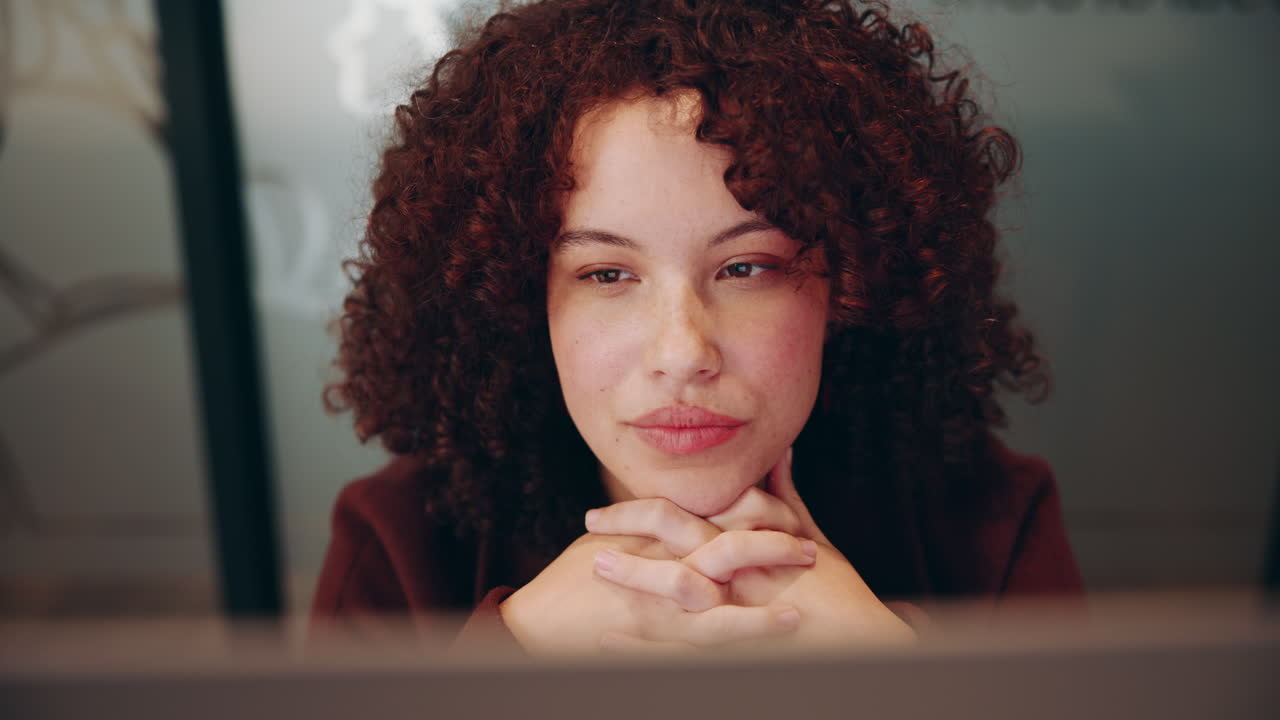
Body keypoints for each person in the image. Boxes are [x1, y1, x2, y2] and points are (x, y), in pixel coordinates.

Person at [313, 0, 1083, 655]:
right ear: (519, 299)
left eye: (746, 268)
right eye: (607, 275)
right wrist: (508, 650)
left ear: (852, 283)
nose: (683, 354)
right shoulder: (400, 543)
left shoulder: (991, 525)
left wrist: (892, 668)